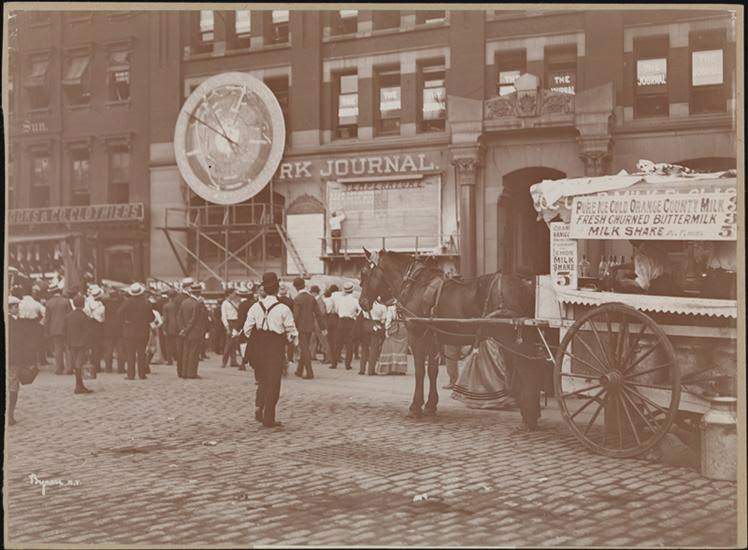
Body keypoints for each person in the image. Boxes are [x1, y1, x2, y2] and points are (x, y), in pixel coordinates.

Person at [243, 272, 298, 428]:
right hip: (275, 346)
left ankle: (259, 407)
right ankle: (269, 418)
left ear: (264, 289)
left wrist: (257, 338)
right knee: (274, 382)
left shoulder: (255, 307)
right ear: (276, 288)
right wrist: (290, 343)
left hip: (258, 345)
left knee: (262, 379)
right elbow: (292, 332)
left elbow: (247, 330)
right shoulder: (283, 308)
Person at [118, 283, 155, 380]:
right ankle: (142, 374)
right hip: (143, 331)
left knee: (130, 354)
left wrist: (125, 321)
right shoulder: (147, 303)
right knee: (141, 353)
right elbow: (152, 318)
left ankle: (131, 374)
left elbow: (119, 313)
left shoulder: (127, 302)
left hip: (129, 331)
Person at [292, 277, 326, 379]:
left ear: (295, 287)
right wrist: (323, 327)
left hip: (301, 327)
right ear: (304, 285)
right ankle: (299, 370)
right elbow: (318, 314)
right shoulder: (312, 298)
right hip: (310, 326)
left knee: (305, 349)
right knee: (305, 347)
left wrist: (292, 327)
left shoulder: (297, 299)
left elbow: (296, 316)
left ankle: (309, 372)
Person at [64, 295, 94, 394]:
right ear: (83, 304)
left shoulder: (68, 316)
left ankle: (79, 385)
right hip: (82, 343)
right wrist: (88, 345)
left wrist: (67, 342)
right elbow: (87, 332)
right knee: (78, 363)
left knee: (76, 363)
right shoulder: (84, 317)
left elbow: (66, 331)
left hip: (72, 342)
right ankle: (78, 385)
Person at [180, 282, 210, 379]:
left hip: (186, 331)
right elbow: (194, 319)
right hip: (195, 332)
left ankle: (184, 372)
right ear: (199, 292)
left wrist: (183, 329)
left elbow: (179, 316)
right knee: (194, 353)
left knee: (186, 352)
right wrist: (187, 329)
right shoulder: (197, 304)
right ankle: (192, 373)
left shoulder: (184, 302)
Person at [331, 282, 360, 370]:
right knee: (349, 344)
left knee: (338, 344)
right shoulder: (355, 300)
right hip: (350, 322)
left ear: (344, 290)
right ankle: (347, 365)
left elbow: (336, 310)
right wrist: (354, 315)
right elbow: (359, 311)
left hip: (341, 321)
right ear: (352, 290)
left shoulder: (340, 300)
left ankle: (334, 363)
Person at [45, 281, 72, 375]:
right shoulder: (66, 301)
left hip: (54, 329)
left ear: (51, 292)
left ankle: (59, 369)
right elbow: (70, 315)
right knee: (68, 348)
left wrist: (46, 331)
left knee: (58, 349)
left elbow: (47, 319)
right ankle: (69, 368)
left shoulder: (48, 303)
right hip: (66, 328)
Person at [376, 301, 409, 375]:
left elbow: (388, 320)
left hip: (394, 329)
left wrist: (387, 330)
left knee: (389, 348)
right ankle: (401, 369)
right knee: (401, 349)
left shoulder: (391, 309)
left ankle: (390, 367)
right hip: (403, 329)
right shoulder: (405, 309)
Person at [358, 297, 387, 375]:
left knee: (364, 348)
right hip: (376, 326)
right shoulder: (382, 307)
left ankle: (362, 369)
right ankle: (371, 370)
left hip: (366, 325)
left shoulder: (365, 305)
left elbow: (362, 315)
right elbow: (383, 319)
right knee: (374, 349)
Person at [102, 289, 126, 373]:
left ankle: (108, 368)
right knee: (120, 350)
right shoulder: (121, 304)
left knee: (109, 350)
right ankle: (121, 368)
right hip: (119, 329)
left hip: (108, 330)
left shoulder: (107, 304)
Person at [173, 277, 192, 377]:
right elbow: (178, 315)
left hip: (184, 328)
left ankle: (183, 370)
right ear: (187, 287)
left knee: (183, 350)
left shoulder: (178, 298)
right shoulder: (182, 298)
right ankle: (182, 370)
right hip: (183, 329)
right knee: (182, 351)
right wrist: (182, 329)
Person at [84, 285, 106, 374]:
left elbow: (86, 313)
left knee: (91, 346)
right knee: (97, 346)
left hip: (89, 324)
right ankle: (97, 366)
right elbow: (102, 318)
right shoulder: (101, 305)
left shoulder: (87, 302)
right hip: (98, 326)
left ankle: (92, 364)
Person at [236, 283, 256, 371]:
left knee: (243, 343)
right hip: (255, 327)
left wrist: (238, 328)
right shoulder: (255, 303)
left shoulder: (242, 305)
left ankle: (243, 362)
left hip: (245, 327)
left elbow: (240, 318)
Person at [308, 285, 330, 362]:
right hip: (314, 322)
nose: (310, 294)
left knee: (323, 340)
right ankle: (312, 355)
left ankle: (328, 357)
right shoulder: (315, 300)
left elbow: (322, 312)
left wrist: (312, 314)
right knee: (313, 339)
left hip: (319, 323)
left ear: (315, 293)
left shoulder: (319, 301)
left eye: (311, 292)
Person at [221, 289, 240, 368]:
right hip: (230, 323)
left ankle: (233, 361)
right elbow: (224, 316)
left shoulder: (235, 302)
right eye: (233, 293)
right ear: (229, 294)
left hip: (236, 322)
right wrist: (227, 327)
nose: (235, 295)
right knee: (229, 343)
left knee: (234, 343)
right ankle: (224, 361)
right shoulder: (224, 303)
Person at [322, 285, 339, 365]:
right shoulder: (335, 299)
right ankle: (336, 357)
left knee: (328, 339)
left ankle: (329, 357)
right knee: (335, 339)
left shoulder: (325, 300)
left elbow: (325, 311)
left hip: (328, 318)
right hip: (336, 318)